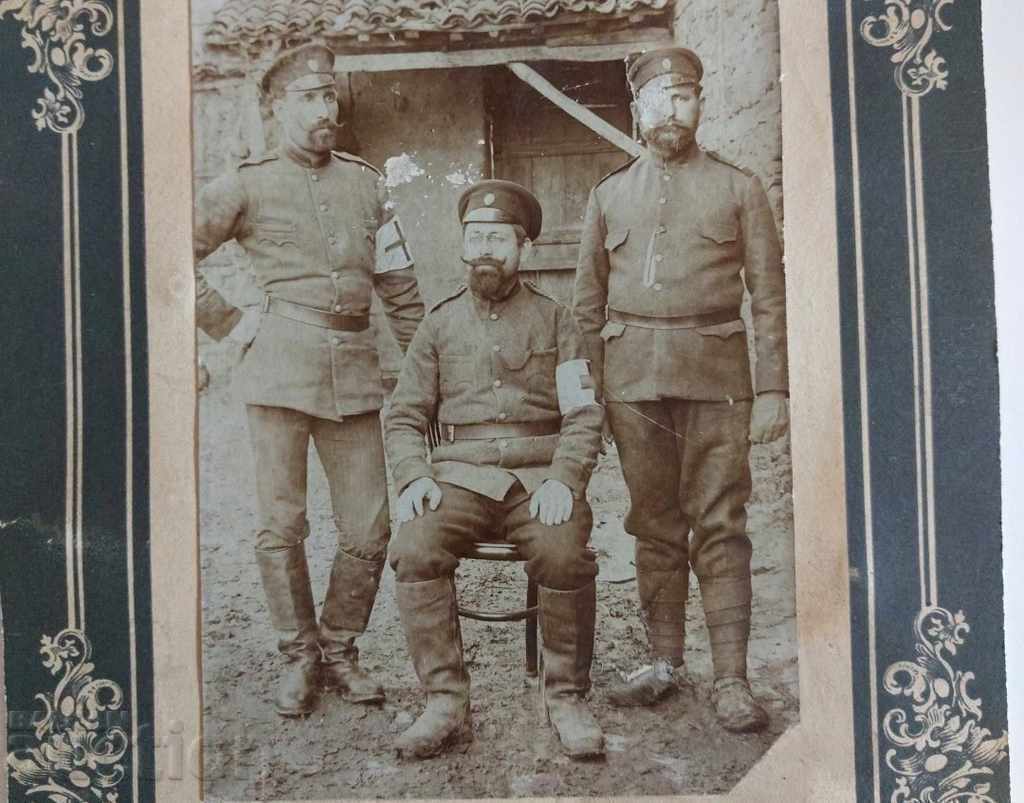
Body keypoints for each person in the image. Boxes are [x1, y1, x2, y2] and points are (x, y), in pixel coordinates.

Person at [193, 43, 424, 717]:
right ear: (275, 109)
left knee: (369, 527)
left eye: (331, 97)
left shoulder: (367, 184)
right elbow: (164, 250)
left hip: (354, 373)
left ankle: (340, 646)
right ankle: (298, 655)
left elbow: (401, 289)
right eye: (310, 99)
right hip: (279, 370)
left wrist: (420, 373)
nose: (327, 111)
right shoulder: (245, 182)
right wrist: (232, 326)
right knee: (281, 524)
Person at [573, 47, 789, 732]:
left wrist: (774, 388)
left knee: (722, 523)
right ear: (637, 110)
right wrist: (592, 395)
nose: (672, 110)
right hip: (633, 381)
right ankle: (664, 663)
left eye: (685, 96)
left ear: (701, 104)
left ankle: (731, 677)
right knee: (653, 522)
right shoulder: (608, 196)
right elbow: (586, 305)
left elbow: (771, 299)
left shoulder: (739, 188)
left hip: (717, 380)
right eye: (659, 99)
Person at [384, 180, 606, 759]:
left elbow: (583, 414)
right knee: (414, 545)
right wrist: (414, 477)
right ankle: (444, 702)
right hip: (457, 478)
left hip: (537, 481)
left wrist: (565, 478)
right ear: (462, 247)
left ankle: (565, 696)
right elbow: (404, 415)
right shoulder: (437, 326)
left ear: (523, 248)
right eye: (474, 238)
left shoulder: (558, 322)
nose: (484, 249)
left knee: (564, 551)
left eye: (498, 239)